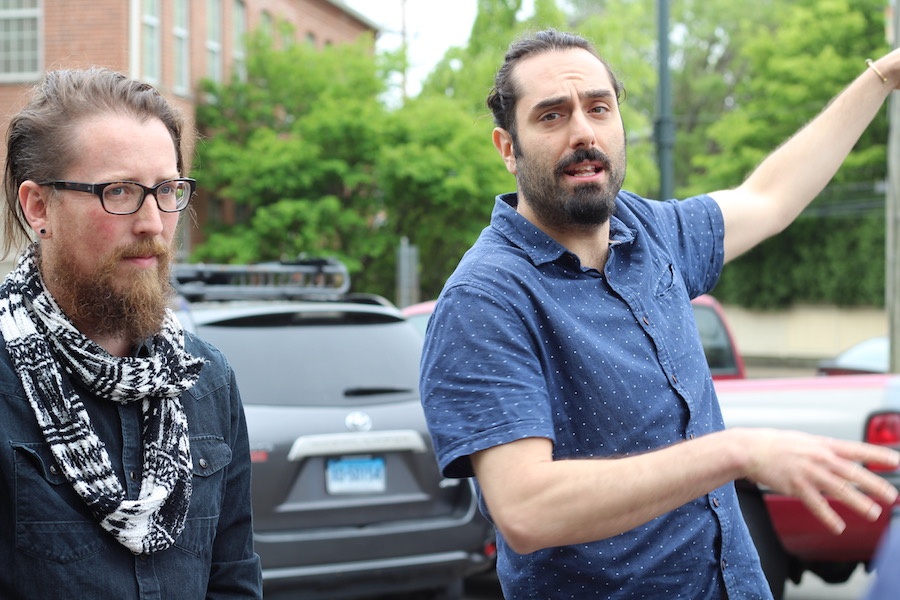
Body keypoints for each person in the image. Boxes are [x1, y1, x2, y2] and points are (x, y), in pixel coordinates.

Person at [419, 29, 900, 599]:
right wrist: (734, 452)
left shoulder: (648, 232)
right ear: (508, 147)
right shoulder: (485, 299)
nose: (583, 132)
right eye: (551, 116)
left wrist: (883, 77)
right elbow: (528, 509)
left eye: (599, 108)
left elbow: (770, 197)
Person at [0, 68, 262, 598]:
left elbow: (233, 577)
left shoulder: (206, 379)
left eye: (167, 190)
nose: (152, 222)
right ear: (38, 206)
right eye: (118, 191)